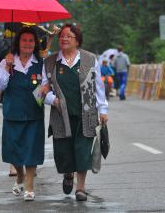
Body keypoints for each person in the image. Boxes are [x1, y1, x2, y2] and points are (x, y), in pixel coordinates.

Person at [41, 24, 108, 202]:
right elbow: (40, 91)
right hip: (60, 114)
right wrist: (52, 100)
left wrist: (103, 109)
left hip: (85, 113)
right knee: (64, 151)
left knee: (82, 150)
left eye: (69, 36)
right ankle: (68, 174)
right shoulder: (50, 62)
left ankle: (81, 188)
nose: (64, 39)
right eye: (62, 36)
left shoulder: (90, 59)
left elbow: (98, 87)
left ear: (77, 40)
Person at [0, 26, 45, 201]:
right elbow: (0, 86)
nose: (28, 43)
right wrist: (8, 66)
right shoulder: (6, 62)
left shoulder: (41, 64)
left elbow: (44, 89)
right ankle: (20, 175)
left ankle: (29, 185)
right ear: (18, 42)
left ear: (35, 44)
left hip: (34, 114)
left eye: (31, 41)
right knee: (13, 150)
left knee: (32, 150)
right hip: (12, 113)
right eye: (24, 40)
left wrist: (48, 98)